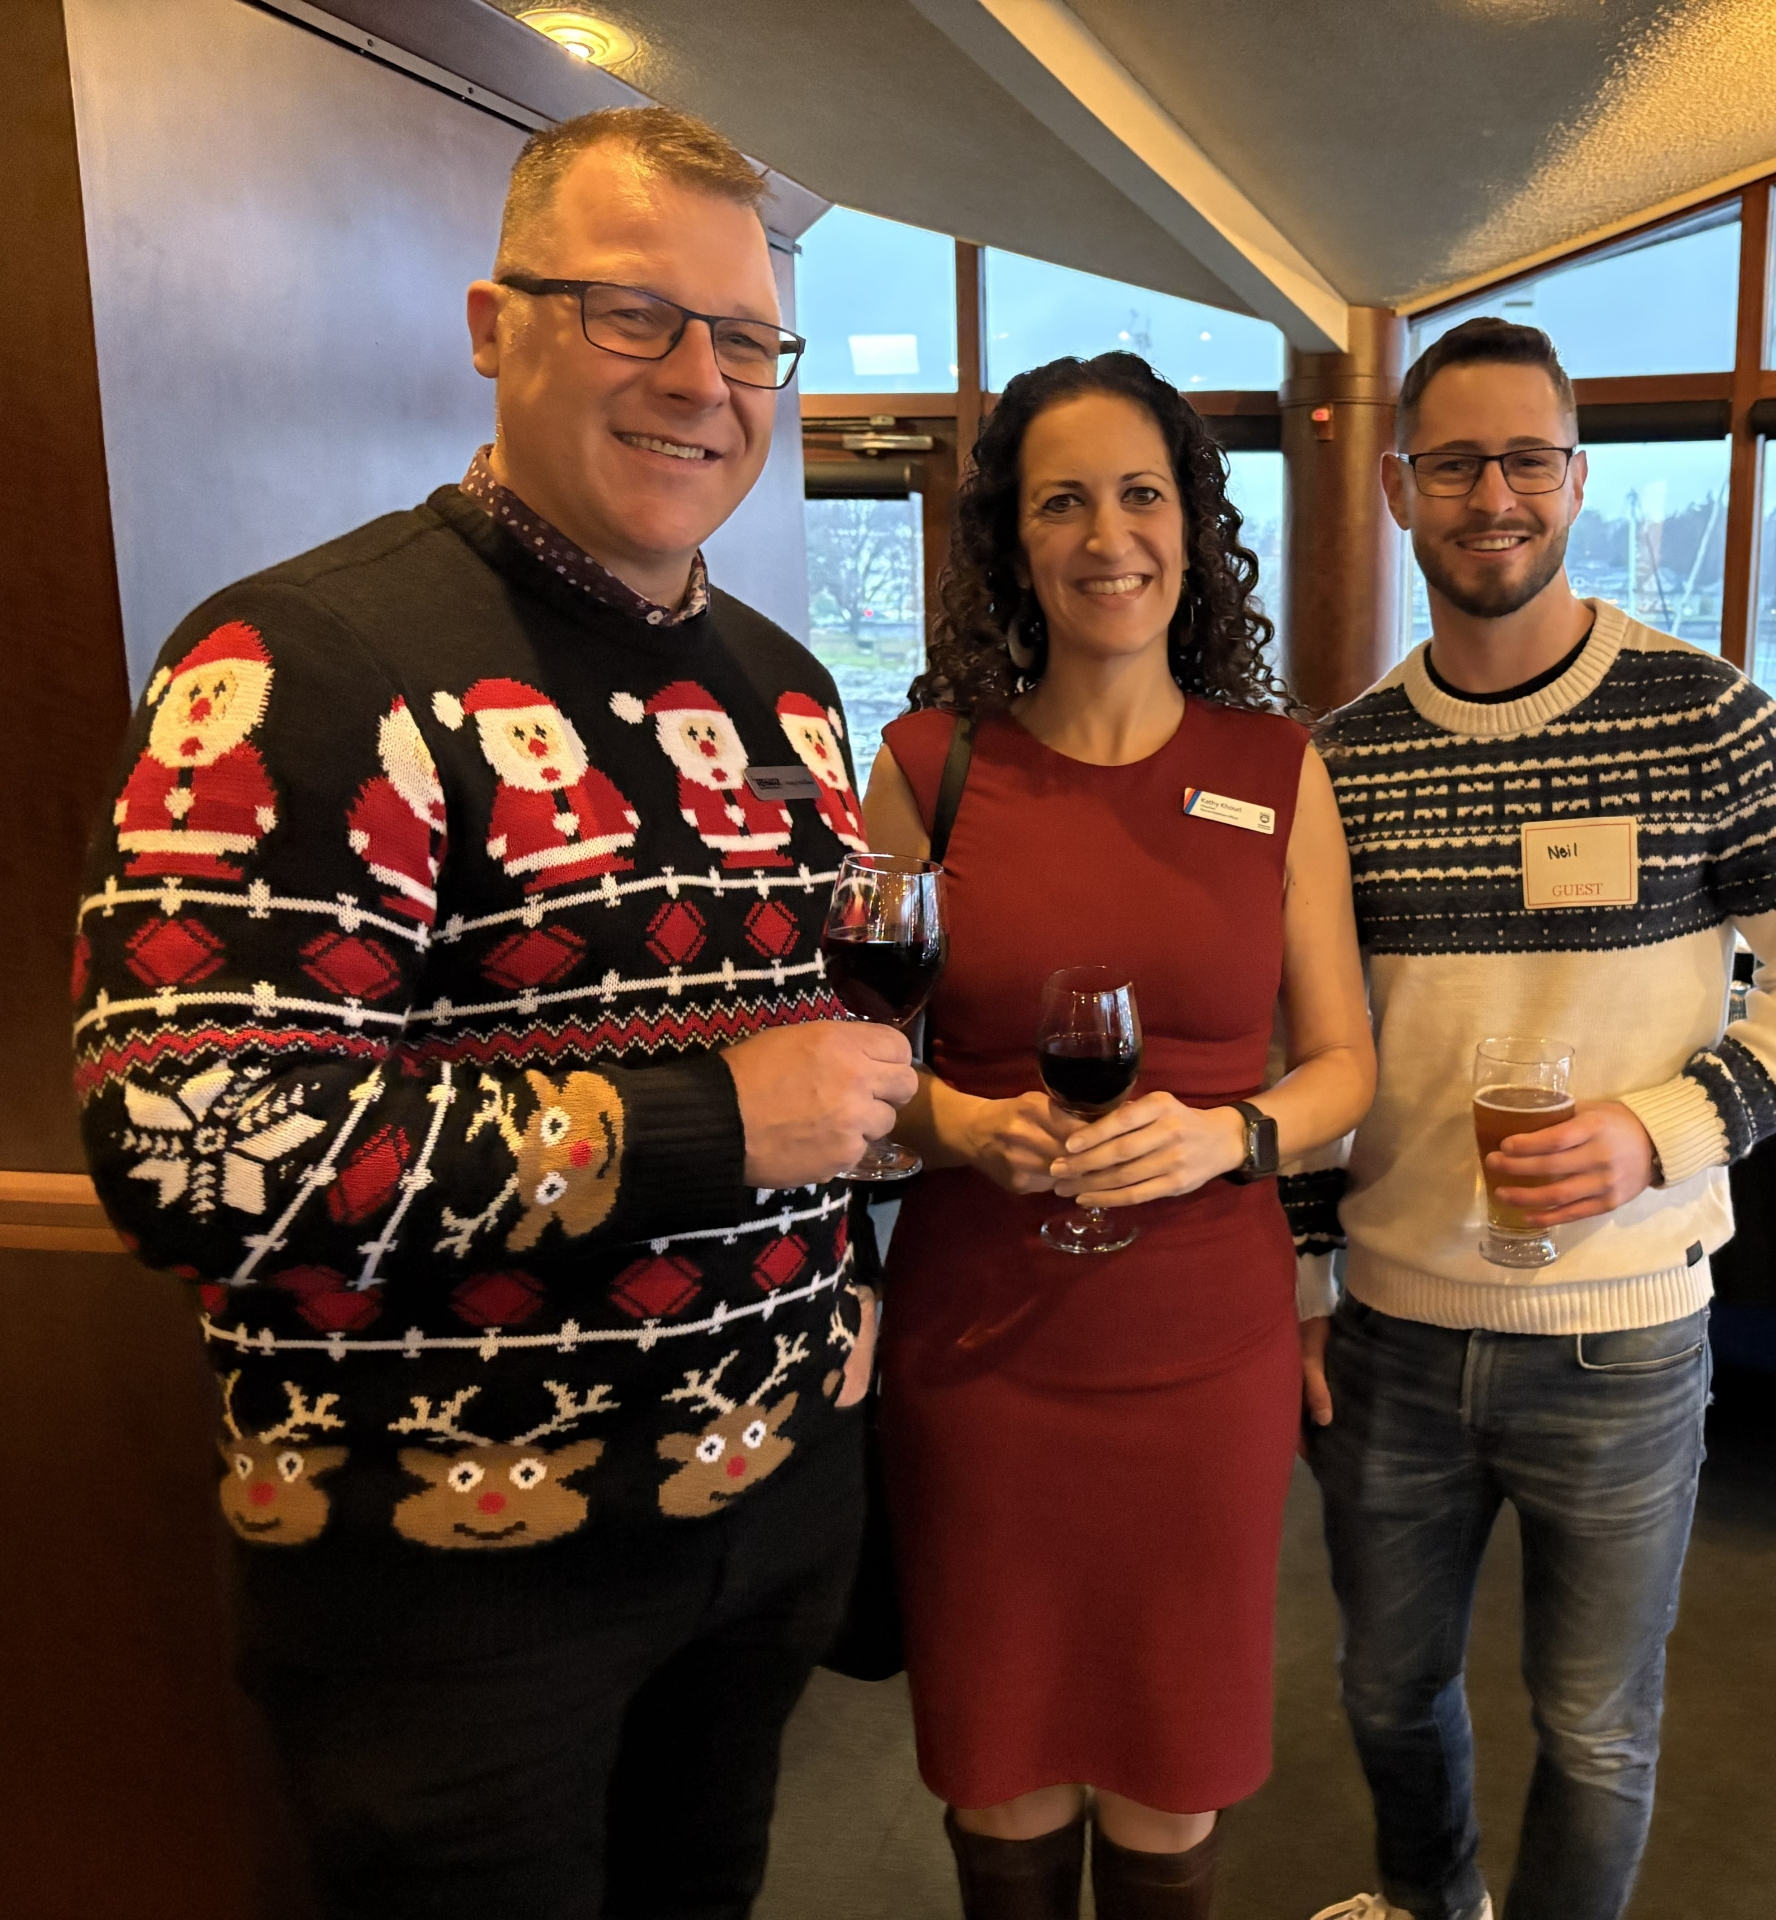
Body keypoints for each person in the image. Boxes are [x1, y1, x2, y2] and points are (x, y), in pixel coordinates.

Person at [76, 108, 916, 1920]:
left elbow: (816, 1043)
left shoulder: (785, 689)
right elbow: (190, 1151)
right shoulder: (298, 661)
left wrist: (842, 1290)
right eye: (633, 312)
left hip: (765, 1512)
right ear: (492, 324)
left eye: (745, 338)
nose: (698, 380)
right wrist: (719, 1123)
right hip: (450, 1593)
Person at [1296, 317, 1776, 1920]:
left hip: (1623, 1336)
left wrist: (1658, 1132)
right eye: (1454, 464)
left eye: (1526, 460)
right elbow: (1311, 1046)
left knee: (1594, 1729)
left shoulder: (1713, 717)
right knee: (1380, 1693)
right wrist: (1302, 1282)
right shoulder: (1340, 764)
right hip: (1393, 1332)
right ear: (1400, 489)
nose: (1493, 497)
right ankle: (1432, 1902)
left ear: (1577, 478)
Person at [857, 352, 1375, 1920]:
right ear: (1011, 541)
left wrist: (1232, 1138)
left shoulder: (1277, 769)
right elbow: (862, 1072)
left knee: (1170, 1760)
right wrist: (963, 1123)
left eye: (1141, 494)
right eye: (1061, 502)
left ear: (1193, 528)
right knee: (1001, 1754)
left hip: (1203, 1352)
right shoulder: (928, 768)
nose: (1107, 536)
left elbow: (1347, 1067)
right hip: (983, 1350)